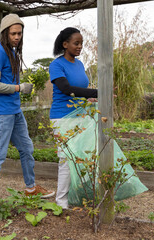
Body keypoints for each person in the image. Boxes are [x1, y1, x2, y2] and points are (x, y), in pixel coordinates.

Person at [0, 13, 55, 198]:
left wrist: (20, 88)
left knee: (27, 148)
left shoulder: (13, 53)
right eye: (13, 33)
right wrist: (19, 87)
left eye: (19, 34)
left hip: (15, 111)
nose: (17, 37)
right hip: (2, 112)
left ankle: (31, 189)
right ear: (5, 33)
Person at [49, 27, 98, 209]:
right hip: (63, 118)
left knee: (84, 158)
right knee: (66, 160)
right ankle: (61, 202)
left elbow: (80, 92)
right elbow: (66, 89)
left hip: (81, 116)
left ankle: (78, 197)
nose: (80, 47)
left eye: (81, 44)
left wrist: (91, 98)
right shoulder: (56, 65)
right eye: (76, 43)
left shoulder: (80, 64)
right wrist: (98, 92)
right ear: (65, 44)